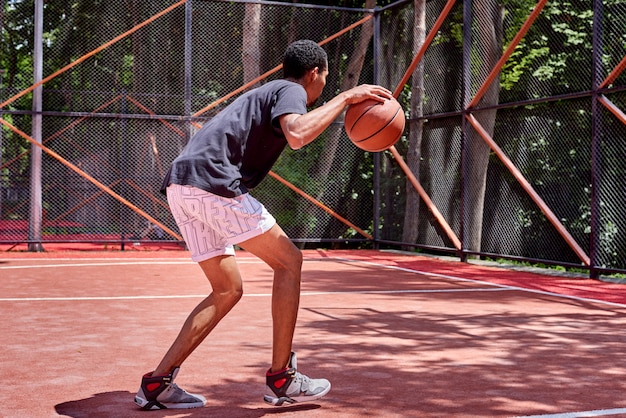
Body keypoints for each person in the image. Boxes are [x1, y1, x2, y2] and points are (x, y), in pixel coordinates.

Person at [134, 39, 392, 410]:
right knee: (290, 261)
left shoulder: (270, 91)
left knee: (227, 290)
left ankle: (156, 384)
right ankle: (281, 378)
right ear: (314, 72)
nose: (323, 89)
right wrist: (347, 98)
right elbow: (298, 134)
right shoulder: (290, 89)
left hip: (183, 186)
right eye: (326, 80)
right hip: (212, 184)